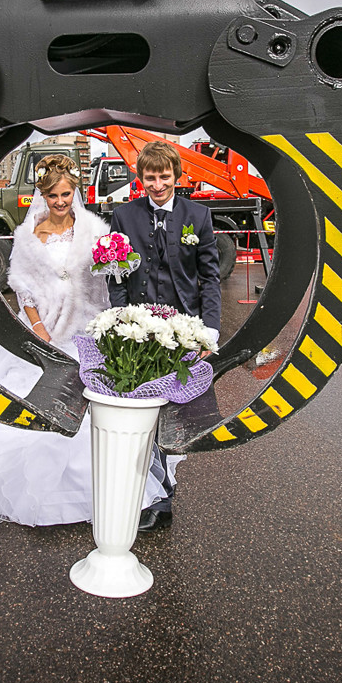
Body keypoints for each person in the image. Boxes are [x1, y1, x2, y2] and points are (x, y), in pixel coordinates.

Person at [0, 154, 180, 526]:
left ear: (74, 193)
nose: (60, 202)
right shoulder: (28, 235)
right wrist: (37, 328)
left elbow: (109, 276)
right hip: (45, 328)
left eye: (66, 194)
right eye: (53, 196)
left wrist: (119, 264)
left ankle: (117, 486)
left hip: (86, 326)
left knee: (101, 404)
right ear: (43, 196)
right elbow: (23, 287)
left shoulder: (94, 229)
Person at [107, 140, 221, 531]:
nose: (157, 185)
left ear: (177, 176)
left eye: (164, 176)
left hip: (183, 331)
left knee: (172, 414)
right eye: (150, 177)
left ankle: (161, 493)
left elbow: (210, 279)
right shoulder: (124, 216)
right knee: (142, 412)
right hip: (138, 331)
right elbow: (116, 275)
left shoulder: (199, 216)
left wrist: (209, 329)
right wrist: (120, 320)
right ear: (140, 178)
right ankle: (154, 497)